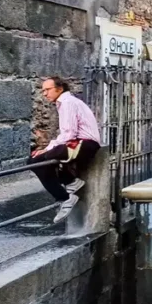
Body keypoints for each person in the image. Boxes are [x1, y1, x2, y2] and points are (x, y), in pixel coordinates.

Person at [29, 77, 101, 224]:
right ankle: (70, 182)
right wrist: (49, 148)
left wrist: (47, 148)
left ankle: (65, 197)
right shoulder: (67, 102)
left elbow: (69, 133)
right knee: (37, 160)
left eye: (47, 89)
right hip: (82, 143)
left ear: (60, 89)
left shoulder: (67, 103)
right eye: (43, 90)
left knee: (35, 161)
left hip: (85, 145)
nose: (44, 94)